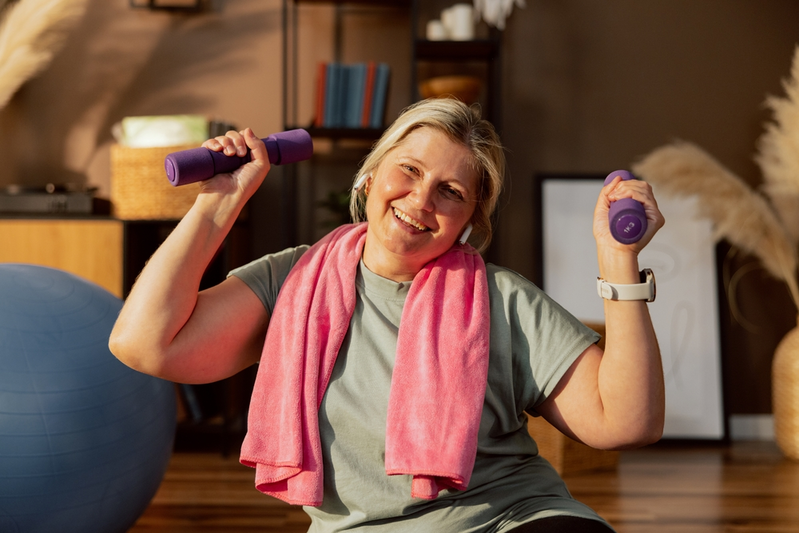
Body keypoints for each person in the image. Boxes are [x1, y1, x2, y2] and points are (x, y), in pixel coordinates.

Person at [110, 97, 665, 533]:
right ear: (370, 177)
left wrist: (619, 263)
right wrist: (220, 199)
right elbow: (144, 344)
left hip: (511, 519)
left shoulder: (503, 299)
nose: (422, 200)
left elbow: (625, 422)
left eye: (450, 190)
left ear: (469, 219)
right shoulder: (290, 282)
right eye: (409, 170)